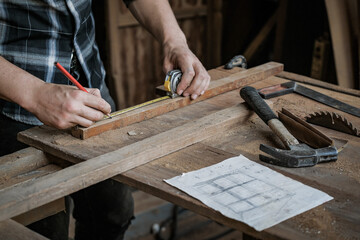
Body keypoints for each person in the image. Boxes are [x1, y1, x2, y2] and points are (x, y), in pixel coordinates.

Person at [0, 0, 210, 239]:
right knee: (44, 228)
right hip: (14, 103)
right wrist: (34, 94)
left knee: (113, 211)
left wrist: (175, 41)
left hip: (91, 86)